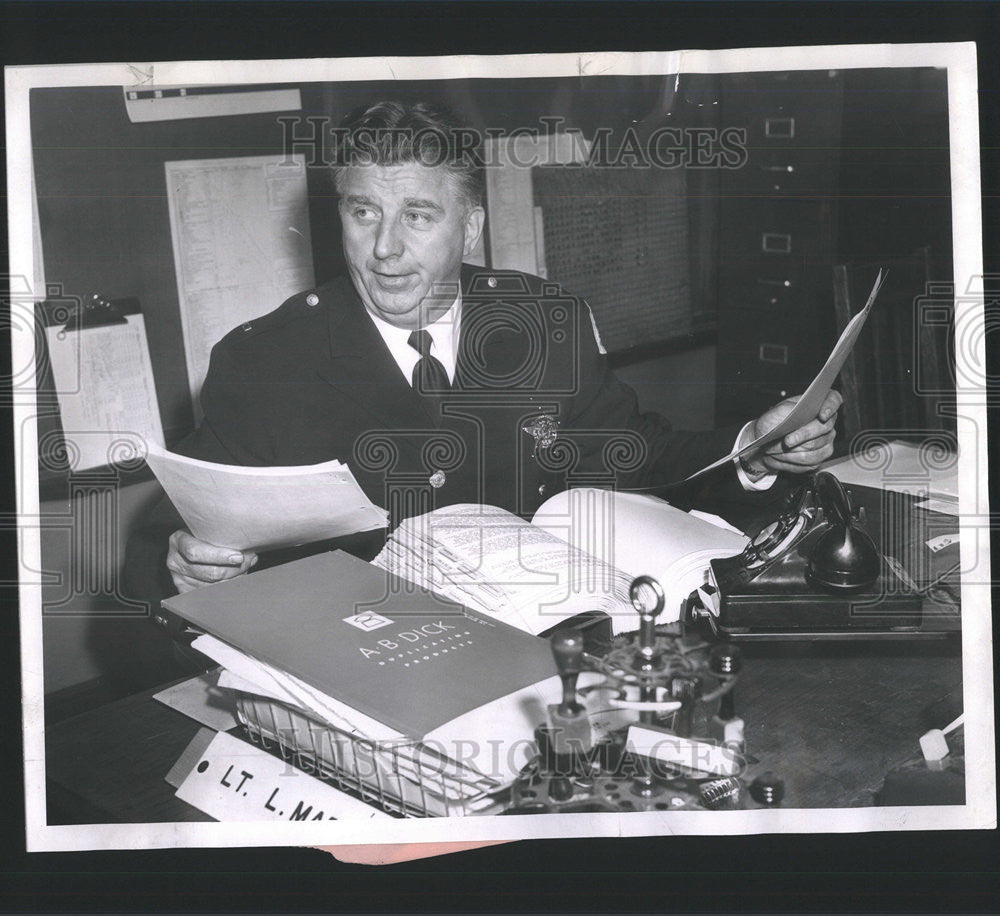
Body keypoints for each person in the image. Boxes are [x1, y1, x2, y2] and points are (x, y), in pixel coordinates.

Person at [125, 100, 840, 615]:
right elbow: (170, 527)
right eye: (363, 211)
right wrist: (182, 559)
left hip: (552, 631)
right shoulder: (268, 361)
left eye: (418, 215)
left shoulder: (539, 319)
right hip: (373, 658)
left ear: (469, 229)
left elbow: (632, 450)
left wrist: (754, 446)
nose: (384, 249)